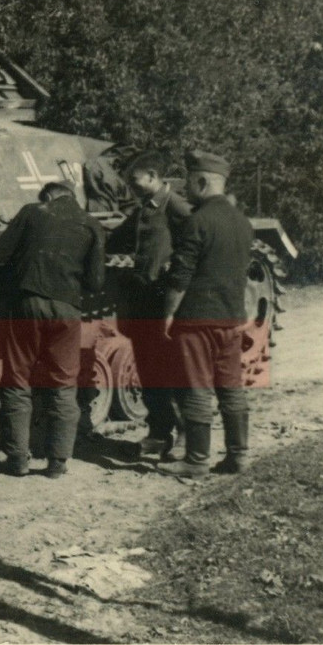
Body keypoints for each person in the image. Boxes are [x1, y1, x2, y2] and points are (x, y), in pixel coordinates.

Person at [0, 181, 106, 478]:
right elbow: (95, 282)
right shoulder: (92, 224)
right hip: (66, 309)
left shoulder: (32, 212)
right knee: (64, 384)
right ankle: (58, 462)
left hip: (28, 304)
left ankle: (17, 460)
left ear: (49, 196)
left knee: (17, 379)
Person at [159, 150, 253, 477]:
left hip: (198, 319)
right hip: (231, 316)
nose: (185, 188)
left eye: (188, 181)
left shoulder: (197, 221)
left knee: (196, 387)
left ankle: (196, 461)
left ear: (201, 181)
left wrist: (169, 314)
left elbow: (181, 274)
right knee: (231, 387)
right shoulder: (242, 221)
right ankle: (238, 456)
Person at [106, 151, 193, 461]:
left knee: (172, 370)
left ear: (155, 178)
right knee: (149, 369)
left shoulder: (176, 206)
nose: (130, 186)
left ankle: (184, 435)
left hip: (164, 300)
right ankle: (159, 432)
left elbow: (194, 245)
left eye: (135, 180)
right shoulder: (146, 208)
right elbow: (118, 238)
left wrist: (176, 272)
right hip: (143, 299)